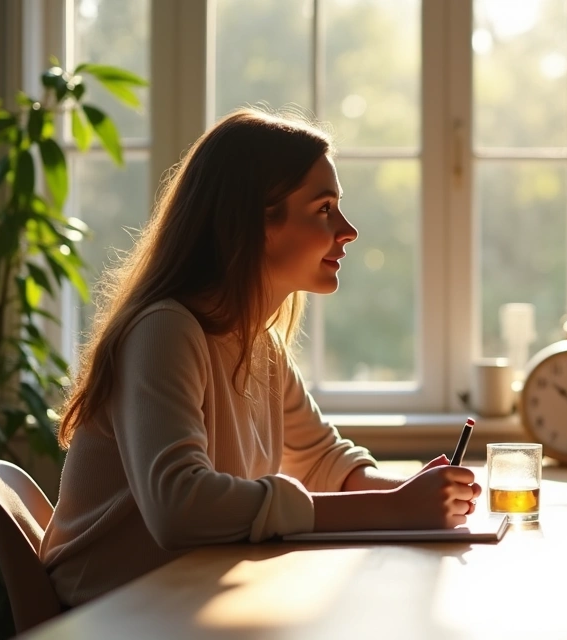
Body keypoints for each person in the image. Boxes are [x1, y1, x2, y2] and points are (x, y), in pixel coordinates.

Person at [41, 109, 481, 607]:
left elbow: (322, 460)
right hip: (110, 615)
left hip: (182, 600)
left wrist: (412, 493)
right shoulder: (164, 329)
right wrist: (391, 510)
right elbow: (179, 507)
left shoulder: (257, 341)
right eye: (324, 209)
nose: (348, 229)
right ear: (253, 223)